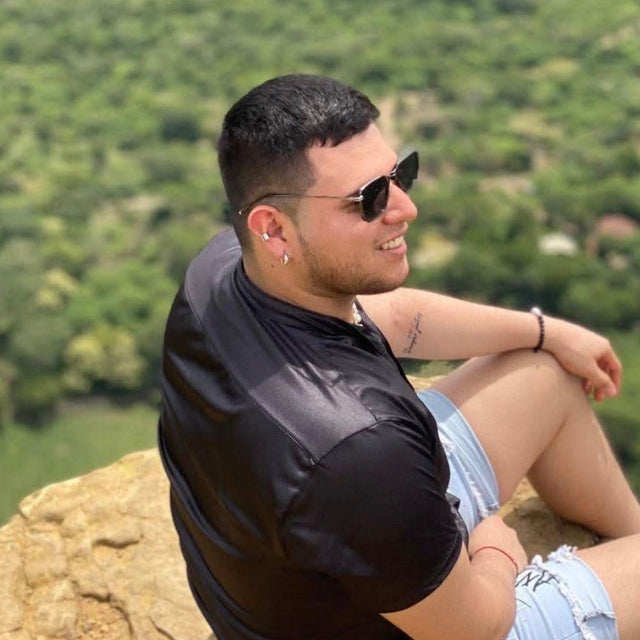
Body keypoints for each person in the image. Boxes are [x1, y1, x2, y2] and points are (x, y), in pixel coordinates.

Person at [158, 74, 640, 640]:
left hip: (331, 547)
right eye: (369, 198)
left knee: (546, 371)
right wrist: (495, 552)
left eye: (400, 174)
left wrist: (546, 331)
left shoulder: (218, 274)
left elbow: (396, 318)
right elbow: (475, 629)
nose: (406, 208)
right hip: (434, 619)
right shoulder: (356, 449)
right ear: (274, 230)